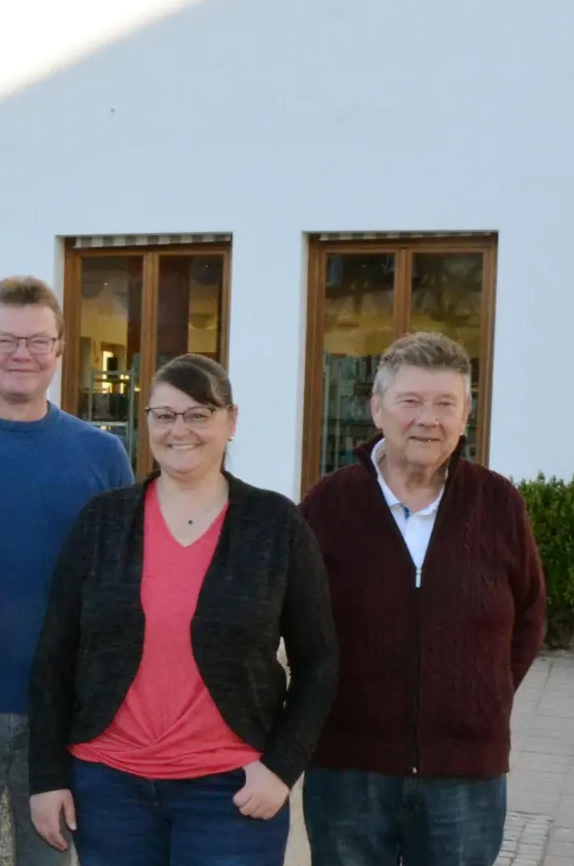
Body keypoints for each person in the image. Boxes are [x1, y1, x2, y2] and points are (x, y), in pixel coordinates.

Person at [28, 354, 339, 865]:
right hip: (109, 789)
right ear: (147, 421)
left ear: (230, 422)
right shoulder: (103, 523)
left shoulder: (274, 525)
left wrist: (282, 768)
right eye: (165, 415)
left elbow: (320, 661)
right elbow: (54, 656)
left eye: (199, 414)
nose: (181, 430)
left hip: (230, 792)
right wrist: (47, 778)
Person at [298, 332, 546, 866]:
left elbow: (529, 612)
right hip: (348, 769)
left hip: (466, 775)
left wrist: (487, 692)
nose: (427, 419)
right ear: (378, 408)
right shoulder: (328, 504)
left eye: (445, 404)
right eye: (410, 401)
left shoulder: (498, 502)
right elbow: (294, 619)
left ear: (466, 415)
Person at [0, 276, 133, 866]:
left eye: (38, 341)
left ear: (60, 349)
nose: (22, 355)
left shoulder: (101, 454)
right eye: (6, 340)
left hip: (62, 712)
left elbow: (121, 586)